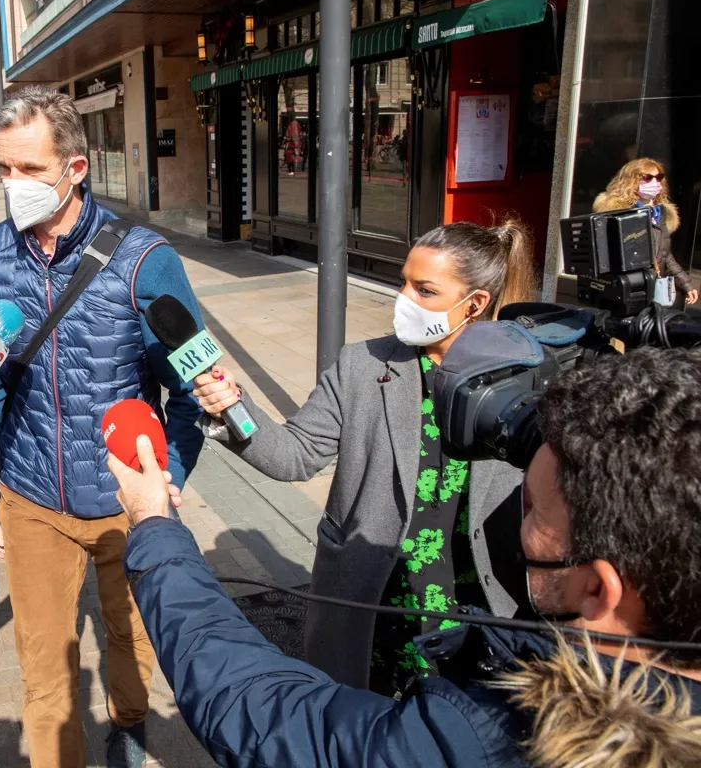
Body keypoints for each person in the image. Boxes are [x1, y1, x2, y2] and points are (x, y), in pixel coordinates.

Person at [111, 346, 701, 767]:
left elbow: (264, 715)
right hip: (385, 619)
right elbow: (294, 454)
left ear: (600, 590)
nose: (520, 526)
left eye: (534, 514)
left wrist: (155, 527)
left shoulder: (488, 736)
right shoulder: (365, 365)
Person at [0, 85, 205, 768]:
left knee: (130, 636)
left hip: (126, 500)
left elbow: (193, 389)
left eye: (31, 170)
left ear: (76, 165)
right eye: (4, 170)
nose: (15, 186)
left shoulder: (143, 259)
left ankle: (129, 722)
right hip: (33, 495)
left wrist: (168, 484)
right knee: (44, 667)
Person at [193, 221, 535, 693]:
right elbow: (295, 455)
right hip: (372, 608)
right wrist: (233, 406)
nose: (405, 299)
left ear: (474, 303)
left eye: (425, 290)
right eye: (403, 282)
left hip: (477, 617)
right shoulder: (362, 365)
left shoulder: (524, 381)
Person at [594, 157, 697, 306]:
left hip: (652, 288)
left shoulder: (659, 213)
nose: (655, 183)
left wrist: (686, 284)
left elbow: (664, 254)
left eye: (659, 177)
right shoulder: (617, 214)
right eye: (647, 178)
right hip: (626, 290)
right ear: (631, 181)